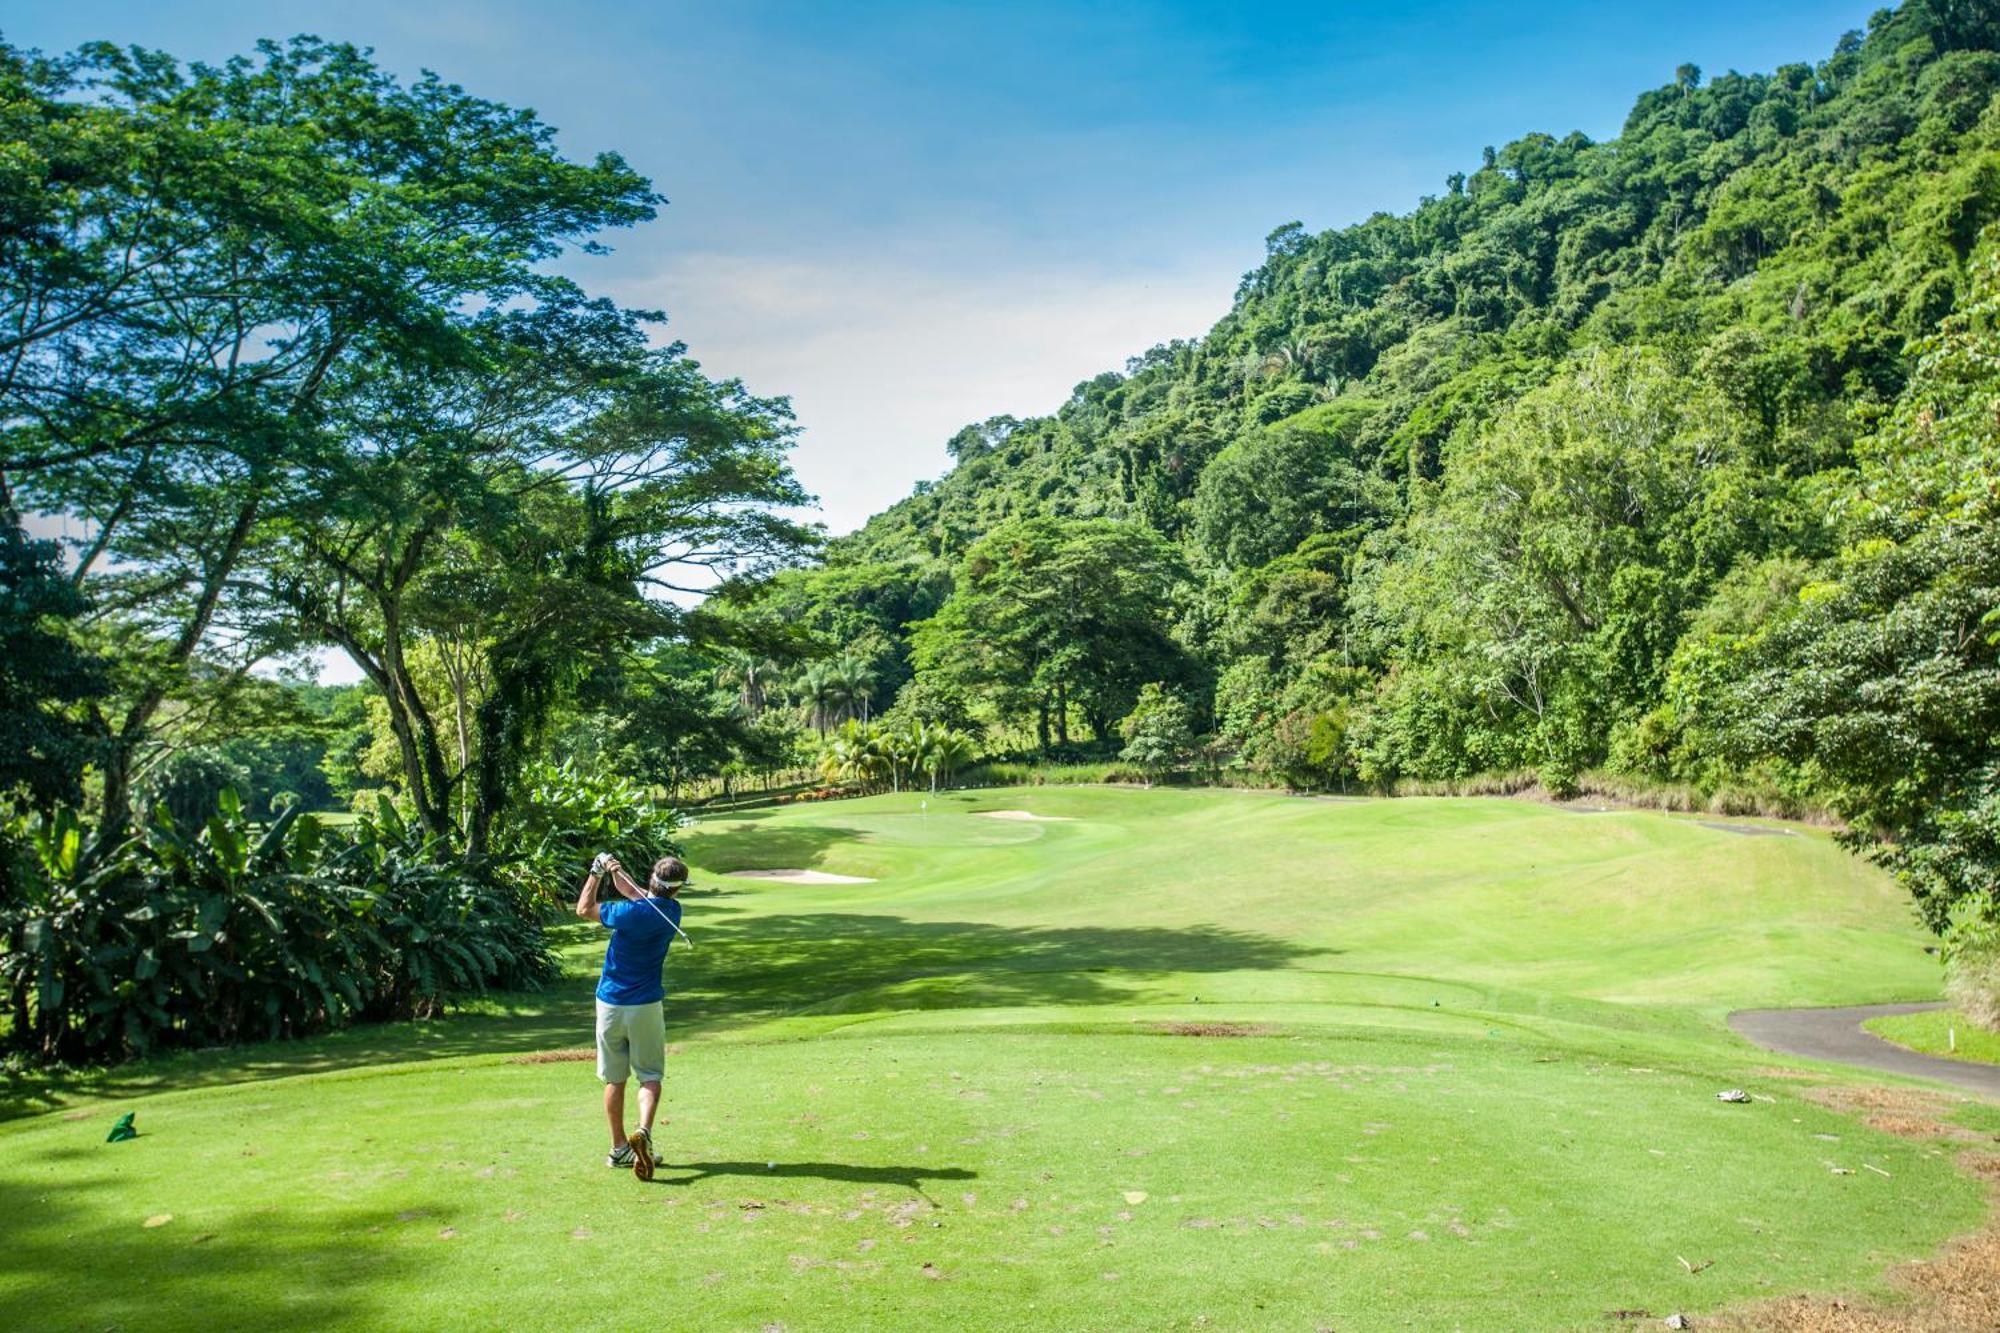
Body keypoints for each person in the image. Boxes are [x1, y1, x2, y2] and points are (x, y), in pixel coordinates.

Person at [574, 853, 686, 1181]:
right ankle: (644, 1132)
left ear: (652, 879)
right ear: (677, 889)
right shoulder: (671, 913)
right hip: (646, 1006)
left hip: (609, 1004)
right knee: (649, 1075)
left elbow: (583, 909)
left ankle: (619, 1147)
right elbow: (637, 894)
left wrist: (597, 872)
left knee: (614, 1078)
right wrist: (616, 871)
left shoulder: (625, 913)